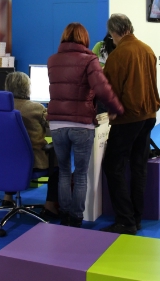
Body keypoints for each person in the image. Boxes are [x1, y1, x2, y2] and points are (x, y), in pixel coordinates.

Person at [47, 22, 123, 228]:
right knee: (80, 174)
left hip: (57, 124)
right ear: (84, 39)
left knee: (64, 171)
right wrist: (116, 108)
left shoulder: (52, 60)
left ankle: (64, 215)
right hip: (82, 124)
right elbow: (102, 88)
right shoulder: (90, 60)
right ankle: (76, 217)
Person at [101, 14, 160, 235]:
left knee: (113, 166)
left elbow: (111, 89)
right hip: (148, 115)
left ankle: (125, 220)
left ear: (113, 32)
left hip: (128, 119)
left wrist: (111, 111)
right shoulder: (147, 50)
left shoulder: (118, 55)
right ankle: (136, 217)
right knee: (138, 166)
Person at [4, 71, 59, 220]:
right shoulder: (36, 108)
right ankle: (50, 206)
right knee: (60, 161)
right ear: (27, 88)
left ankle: (7, 198)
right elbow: (53, 128)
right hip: (33, 163)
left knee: (10, 148)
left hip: (4, 163)